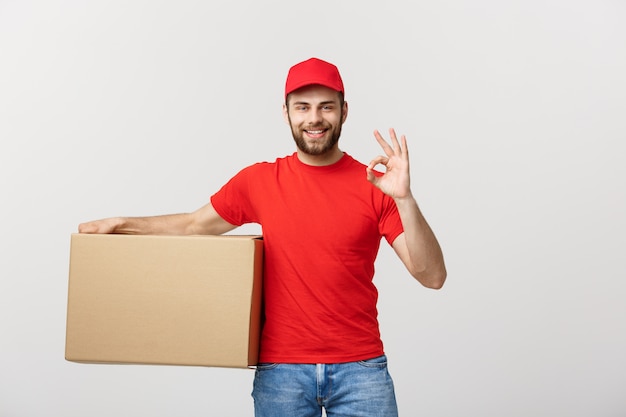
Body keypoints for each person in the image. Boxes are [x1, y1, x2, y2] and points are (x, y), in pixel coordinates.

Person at [79, 57, 446, 417]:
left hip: (361, 369)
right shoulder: (259, 182)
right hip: (281, 372)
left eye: (326, 107)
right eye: (302, 107)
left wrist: (405, 198)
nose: (314, 118)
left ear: (344, 112)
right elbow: (194, 225)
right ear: (286, 113)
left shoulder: (375, 184)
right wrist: (123, 223)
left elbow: (431, 276)